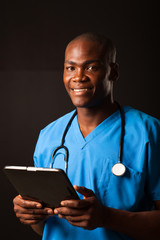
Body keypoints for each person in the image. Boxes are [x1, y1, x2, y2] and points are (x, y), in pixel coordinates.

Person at [13, 32, 160, 240]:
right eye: (70, 67)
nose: (78, 76)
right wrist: (33, 216)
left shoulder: (149, 132)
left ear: (114, 72)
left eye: (91, 67)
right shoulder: (49, 136)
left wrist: (107, 217)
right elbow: (47, 229)